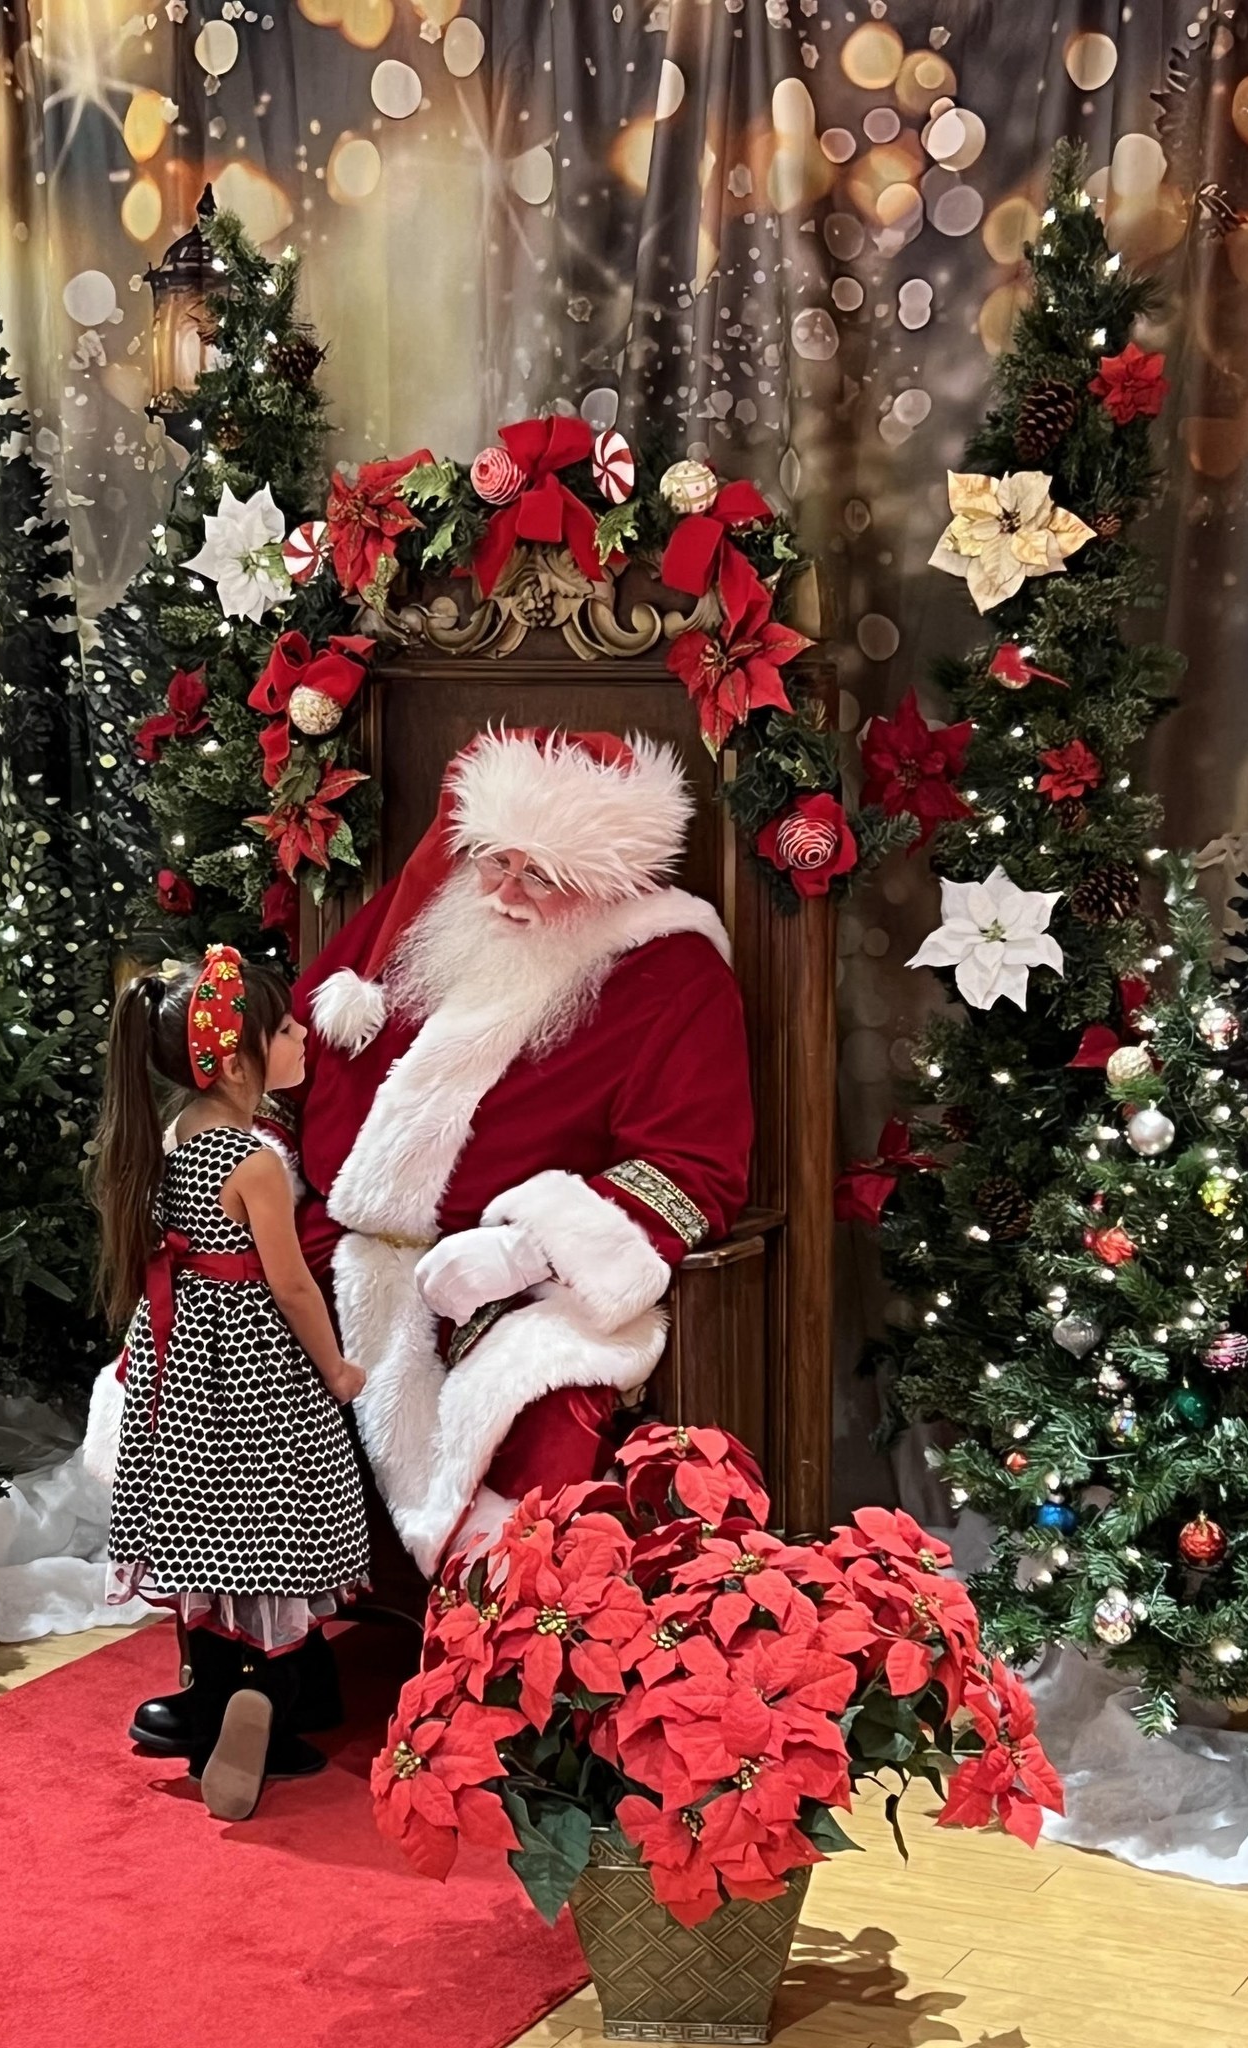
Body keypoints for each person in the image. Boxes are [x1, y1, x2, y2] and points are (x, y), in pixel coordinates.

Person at [281, 726, 754, 1575]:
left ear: (607, 882)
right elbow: (283, 1066)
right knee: (213, 1331)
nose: (505, 894)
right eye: (494, 861)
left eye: (541, 876)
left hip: (506, 1283)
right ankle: (260, 1623)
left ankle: (502, 1625)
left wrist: (523, 1250)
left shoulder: (671, 973)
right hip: (328, 1244)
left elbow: (695, 1172)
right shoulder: (423, 916)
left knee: (536, 1397)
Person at [91, 944, 369, 1821]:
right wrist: (336, 1367)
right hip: (251, 1366)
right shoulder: (253, 1161)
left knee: (204, 1520)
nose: (302, 1039)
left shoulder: (175, 1132)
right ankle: (266, 1701)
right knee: (276, 1515)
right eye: (284, 1030)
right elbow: (291, 1285)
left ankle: (217, 1694)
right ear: (237, 1060)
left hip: (180, 1364)